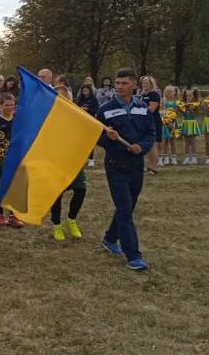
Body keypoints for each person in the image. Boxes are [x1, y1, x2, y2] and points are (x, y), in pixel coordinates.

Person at [97, 67, 156, 272]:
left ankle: (109, 239)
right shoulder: (105, 110)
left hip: (136, 166)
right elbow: (97, 137)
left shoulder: (143, 108)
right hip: (116, 166)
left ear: (134, 86)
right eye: (117, 83)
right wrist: (109, 139)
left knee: (128, 207)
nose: (119, 87)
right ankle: (133, 255)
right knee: (124, 209)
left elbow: (151, 133)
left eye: (124, 83)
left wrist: (142, 147)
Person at [50, 85, 87, 241]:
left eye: (66, 98)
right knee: (56, 195)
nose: (63, 101)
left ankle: (71, 220)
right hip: (56, 161)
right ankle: (56, 225)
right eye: (59, 98)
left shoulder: (77, 115)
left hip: (73, 161)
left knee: (81, 189)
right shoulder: (49, 117)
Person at [0, 93, 21, 226]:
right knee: (1, 185)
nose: (9, 107)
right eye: (6, 105)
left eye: (12, 105)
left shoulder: (17, 120)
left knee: (15, 186)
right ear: (0, 106)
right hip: (0, 158)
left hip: (15, 158)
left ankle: (13, 214)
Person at [139, 76, 162, 173]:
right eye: (143, 83)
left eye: (147, 83)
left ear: (151, 84)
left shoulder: (154, 94)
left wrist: (139, 108)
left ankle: (153, 167)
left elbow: (151, 109)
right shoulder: (143, 95)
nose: (144, 85)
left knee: (153, 144)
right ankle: (149, 165)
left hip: (154, 121)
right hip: (145, 121)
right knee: (148, 145)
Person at [76, 85, 100, 167]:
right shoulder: (80, 100)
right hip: (81, 123)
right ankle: (82, 159)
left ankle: (91, 159)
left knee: (90, 141)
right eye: (83, 90)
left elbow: (96, 110)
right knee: (81, 142)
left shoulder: (94, 100)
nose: (85, 92)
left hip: (90, 122)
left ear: (90, 91)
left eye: (86, 90)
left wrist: (88, 110)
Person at [180, 88, 202, 165]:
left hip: (192, 123)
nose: (188, 97)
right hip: (186, 123)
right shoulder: (183, 104)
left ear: (193, 96)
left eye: (190, 95)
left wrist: (190, 107)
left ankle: (194, 157)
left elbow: (194, 115)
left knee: (192, 141)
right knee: (186, 142)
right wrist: (184, 107)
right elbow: (183, 114)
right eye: (187, 96)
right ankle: (186, 157)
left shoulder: (195, 104)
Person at [159, 86, 179, 165]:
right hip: (165, 123)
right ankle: (165, 157)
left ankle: (173, 157)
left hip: (173, 123)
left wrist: (172, 118)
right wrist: (165, 118)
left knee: (173, 141)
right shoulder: (163, 101)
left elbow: (177, 112)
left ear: (174, 92)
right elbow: (161, 110)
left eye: (170, 91)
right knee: (165, 141)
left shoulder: (176, 102)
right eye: (167, 91)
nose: (169, 93)